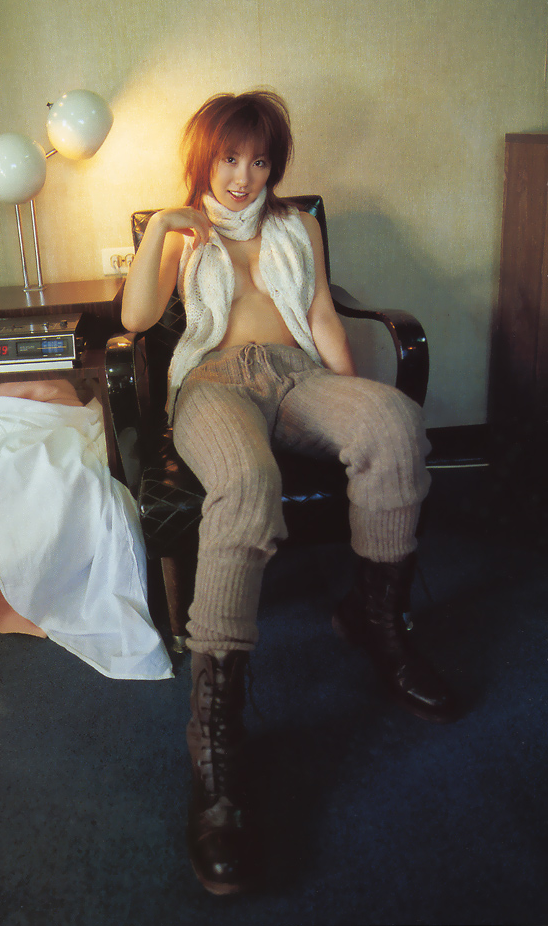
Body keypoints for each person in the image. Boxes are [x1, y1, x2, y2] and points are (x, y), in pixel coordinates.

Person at [121, 89, 460, 896]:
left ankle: (377, 621)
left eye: (260, 160)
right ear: (205, 159)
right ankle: (216, 739)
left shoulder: (297, 228)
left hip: (297, 375)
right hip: (213, 385)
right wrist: (163, 230)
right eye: (230, 158)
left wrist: (356, 406)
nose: (243, 176)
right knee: (247, 483)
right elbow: (136, 319)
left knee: (392, 425)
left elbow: (323, 317)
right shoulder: (184, 235)